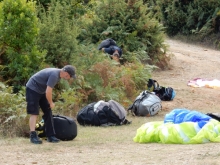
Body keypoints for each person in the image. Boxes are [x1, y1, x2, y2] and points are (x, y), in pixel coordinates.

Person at [26, 65, 76, 144]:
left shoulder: (59, 75)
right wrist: (50, 102)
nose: (70, 78)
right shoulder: (54, 75)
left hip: (41, 91)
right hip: (32, 89)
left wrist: (49, 104)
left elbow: (47, 90)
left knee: (48, 111)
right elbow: (48, 91)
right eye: (70, 76)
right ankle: (33, 136)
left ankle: (50, 136)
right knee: (34, 112)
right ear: (66, 73)